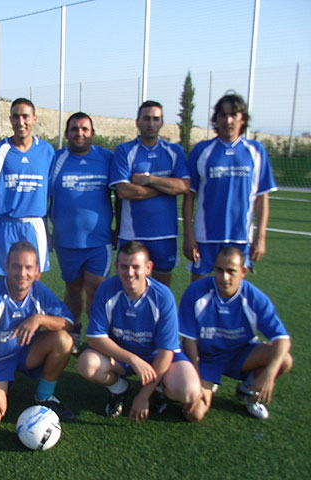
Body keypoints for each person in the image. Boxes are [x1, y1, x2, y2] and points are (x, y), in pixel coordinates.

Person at [77, 241, 201, 422]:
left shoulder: (163, 297)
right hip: (123, 356)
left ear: (148, 268)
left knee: (189, 391)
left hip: (156, 357)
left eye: (136, 267)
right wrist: (133, 359)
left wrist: (143, 396)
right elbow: (95, 338)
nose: (130, 273)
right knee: (87, 364)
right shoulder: (106, 290)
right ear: (116, 267)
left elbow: (166, 352)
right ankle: (120, 389)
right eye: (124, 267)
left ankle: (158, 389)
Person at [178, 247, 293, 421]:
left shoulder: (254, 298)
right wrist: (196, 378)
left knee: (284, 360)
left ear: (243, 271)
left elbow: (282, 339)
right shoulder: (196, 292)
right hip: (206, 359)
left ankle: (247, 390)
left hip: (240, 355)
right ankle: (207, 383)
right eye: (220, 270)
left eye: (231, 271)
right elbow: (189, 340)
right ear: (214, 269)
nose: (224, 277)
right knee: (193, 414)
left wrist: (269, 373)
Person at [0, 241, 76, 427]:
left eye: (28, 268)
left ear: (36, 270)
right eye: (16, 266)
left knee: (63, 340)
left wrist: (39, 319)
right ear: (6, 267)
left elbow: (68, 323)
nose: (22, 273)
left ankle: (44, 396)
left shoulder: (39, 293)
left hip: (26, 353)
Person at [183, 92, 277, 282]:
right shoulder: (202, 151)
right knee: (199, 289)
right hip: (205, 236)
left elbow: (262, 198)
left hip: (240, 236)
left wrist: (260, 237)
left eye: (233, 115)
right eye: (223, 115)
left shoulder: (256, 151)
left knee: (233, 290)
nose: (228, 120)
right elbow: (189, 196)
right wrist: (189, 235)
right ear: (216, 119)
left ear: (243, 119)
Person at [49, 112, 114, 353]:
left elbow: (119, 192)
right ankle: (74, 330)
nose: (80, 133)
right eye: (75, 129)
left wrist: (118, 227)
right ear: (67, 134)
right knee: (73, 288)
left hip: (99, 240)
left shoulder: (106, 158)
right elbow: (42, 197)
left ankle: (98, 336)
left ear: (92, 133)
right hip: (66, 241)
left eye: (85, 129)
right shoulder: (56, 160)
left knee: (97, 288)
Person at [110, 101, 190, 287]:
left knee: (162, 288)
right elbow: (124, 191)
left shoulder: (174, 151)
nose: (151, 123)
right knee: (128, 286)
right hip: (132, 234)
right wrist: (166, 187)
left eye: (155, 119)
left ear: (162, 122)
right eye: (146, 119)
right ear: (137, 122)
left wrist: (149, 179)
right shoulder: (125, 150)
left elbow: (183, 186)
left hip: (165, 235)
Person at [0, 98, 54, 276]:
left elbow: (50, 193)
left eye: (25, 116)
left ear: (34, 119)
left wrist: (48, 230)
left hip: (34, 224)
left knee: (33, 278)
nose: (21, 121)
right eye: (16, 117)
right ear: (10, 120)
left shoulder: (46, 151)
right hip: (5, 225)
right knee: (5, 279)